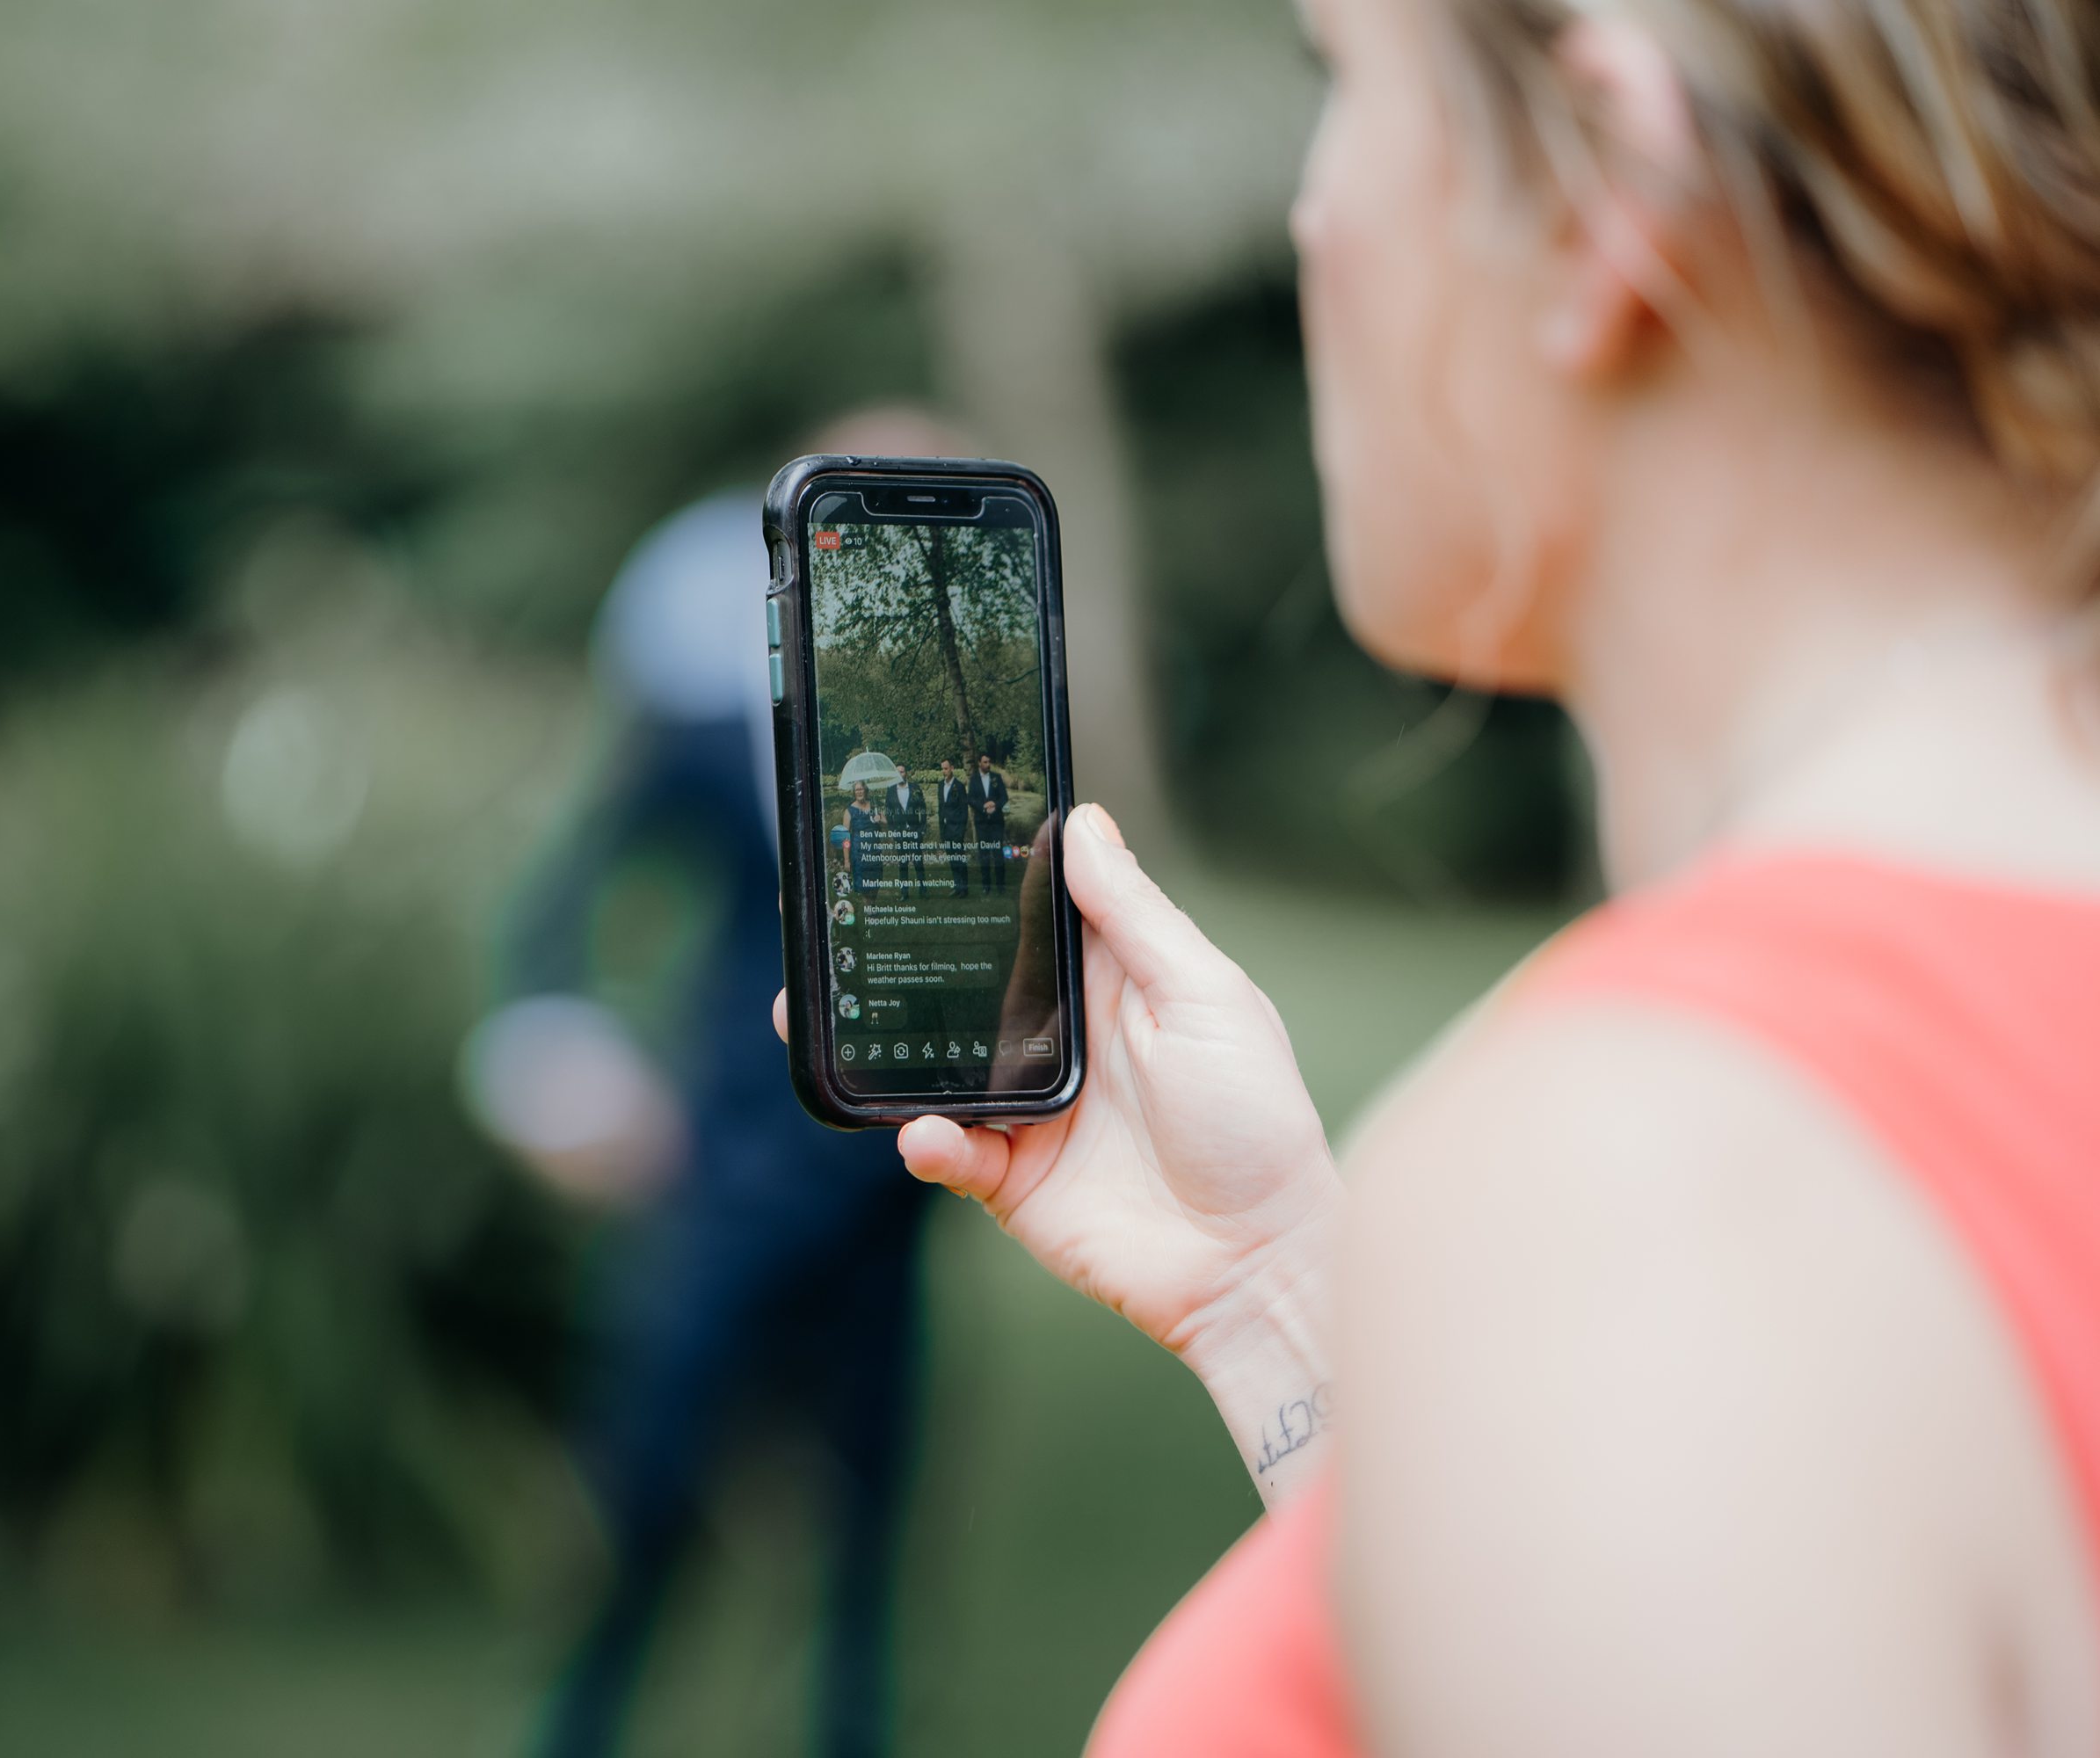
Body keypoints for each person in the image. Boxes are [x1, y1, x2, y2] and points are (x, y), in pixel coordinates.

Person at [778, 0, 2100, 1746]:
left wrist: (1534, 1272)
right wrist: (1283, 1307)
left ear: (1603, 188)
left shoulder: (1647, 1180)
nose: (1312, 214)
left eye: (1343, 86)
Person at [474, 426, 962, 1758]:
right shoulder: (702, 716)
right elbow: (555, 914)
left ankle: (849, 1726)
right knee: (655, 1468)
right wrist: (556, 1065)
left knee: (872, 1504)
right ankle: (582, 1718)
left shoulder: (951, 737)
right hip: (725, 1176)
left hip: (892, 1194)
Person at [966, 753, 1008, 895]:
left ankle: (1001, 885)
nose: (988, 764)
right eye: (985, 762)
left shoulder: (997, 777)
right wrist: (984, 806)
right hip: (981, 823)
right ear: (979, 763)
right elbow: (970, 799)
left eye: (989, 762)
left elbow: (1004, 797)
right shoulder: (974, 780)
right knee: (983, 854)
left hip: (996, 822)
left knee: (998, 854)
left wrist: (994, 804)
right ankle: (986, 885)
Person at [884, 763, 927, 897]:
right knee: (903, 864)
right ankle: (904, 893)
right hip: (900, 833)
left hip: (915, 831)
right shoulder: (890, 790)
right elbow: (888, 812)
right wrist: (893, 830)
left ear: (906, 773)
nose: (900, 775)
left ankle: (923, 891)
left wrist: (922, 829)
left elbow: (923, 809)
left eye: (902, 772)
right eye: (897, 773)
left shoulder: (915, 788)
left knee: (918, 862)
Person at [935, 757, 971, 896]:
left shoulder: (959, 786)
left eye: (946, 768)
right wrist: (941, 829)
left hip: (957, 830)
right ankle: (957, 886)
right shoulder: (940, 785)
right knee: (952, 859)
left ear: (952, 768)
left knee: (959, 859)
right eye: (942, 769)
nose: (943, 771)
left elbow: (964, 810)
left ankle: (964, 888)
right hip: (946, 830)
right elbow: (941, 809)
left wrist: (961, 830)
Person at [843, 781, 877, 897]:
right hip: (859, 852)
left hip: (874, 850)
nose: (859, 792)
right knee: (863, 882)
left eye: (861, 789)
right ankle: (869, 908)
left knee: (875, 880)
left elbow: (886, 821)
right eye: (857, 790)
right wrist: (846, 860)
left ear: (866, 790)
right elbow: (845, 837)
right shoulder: (849, 811)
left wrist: (879, 818)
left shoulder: (874, 806)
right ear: (854, 792)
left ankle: (873, 905)